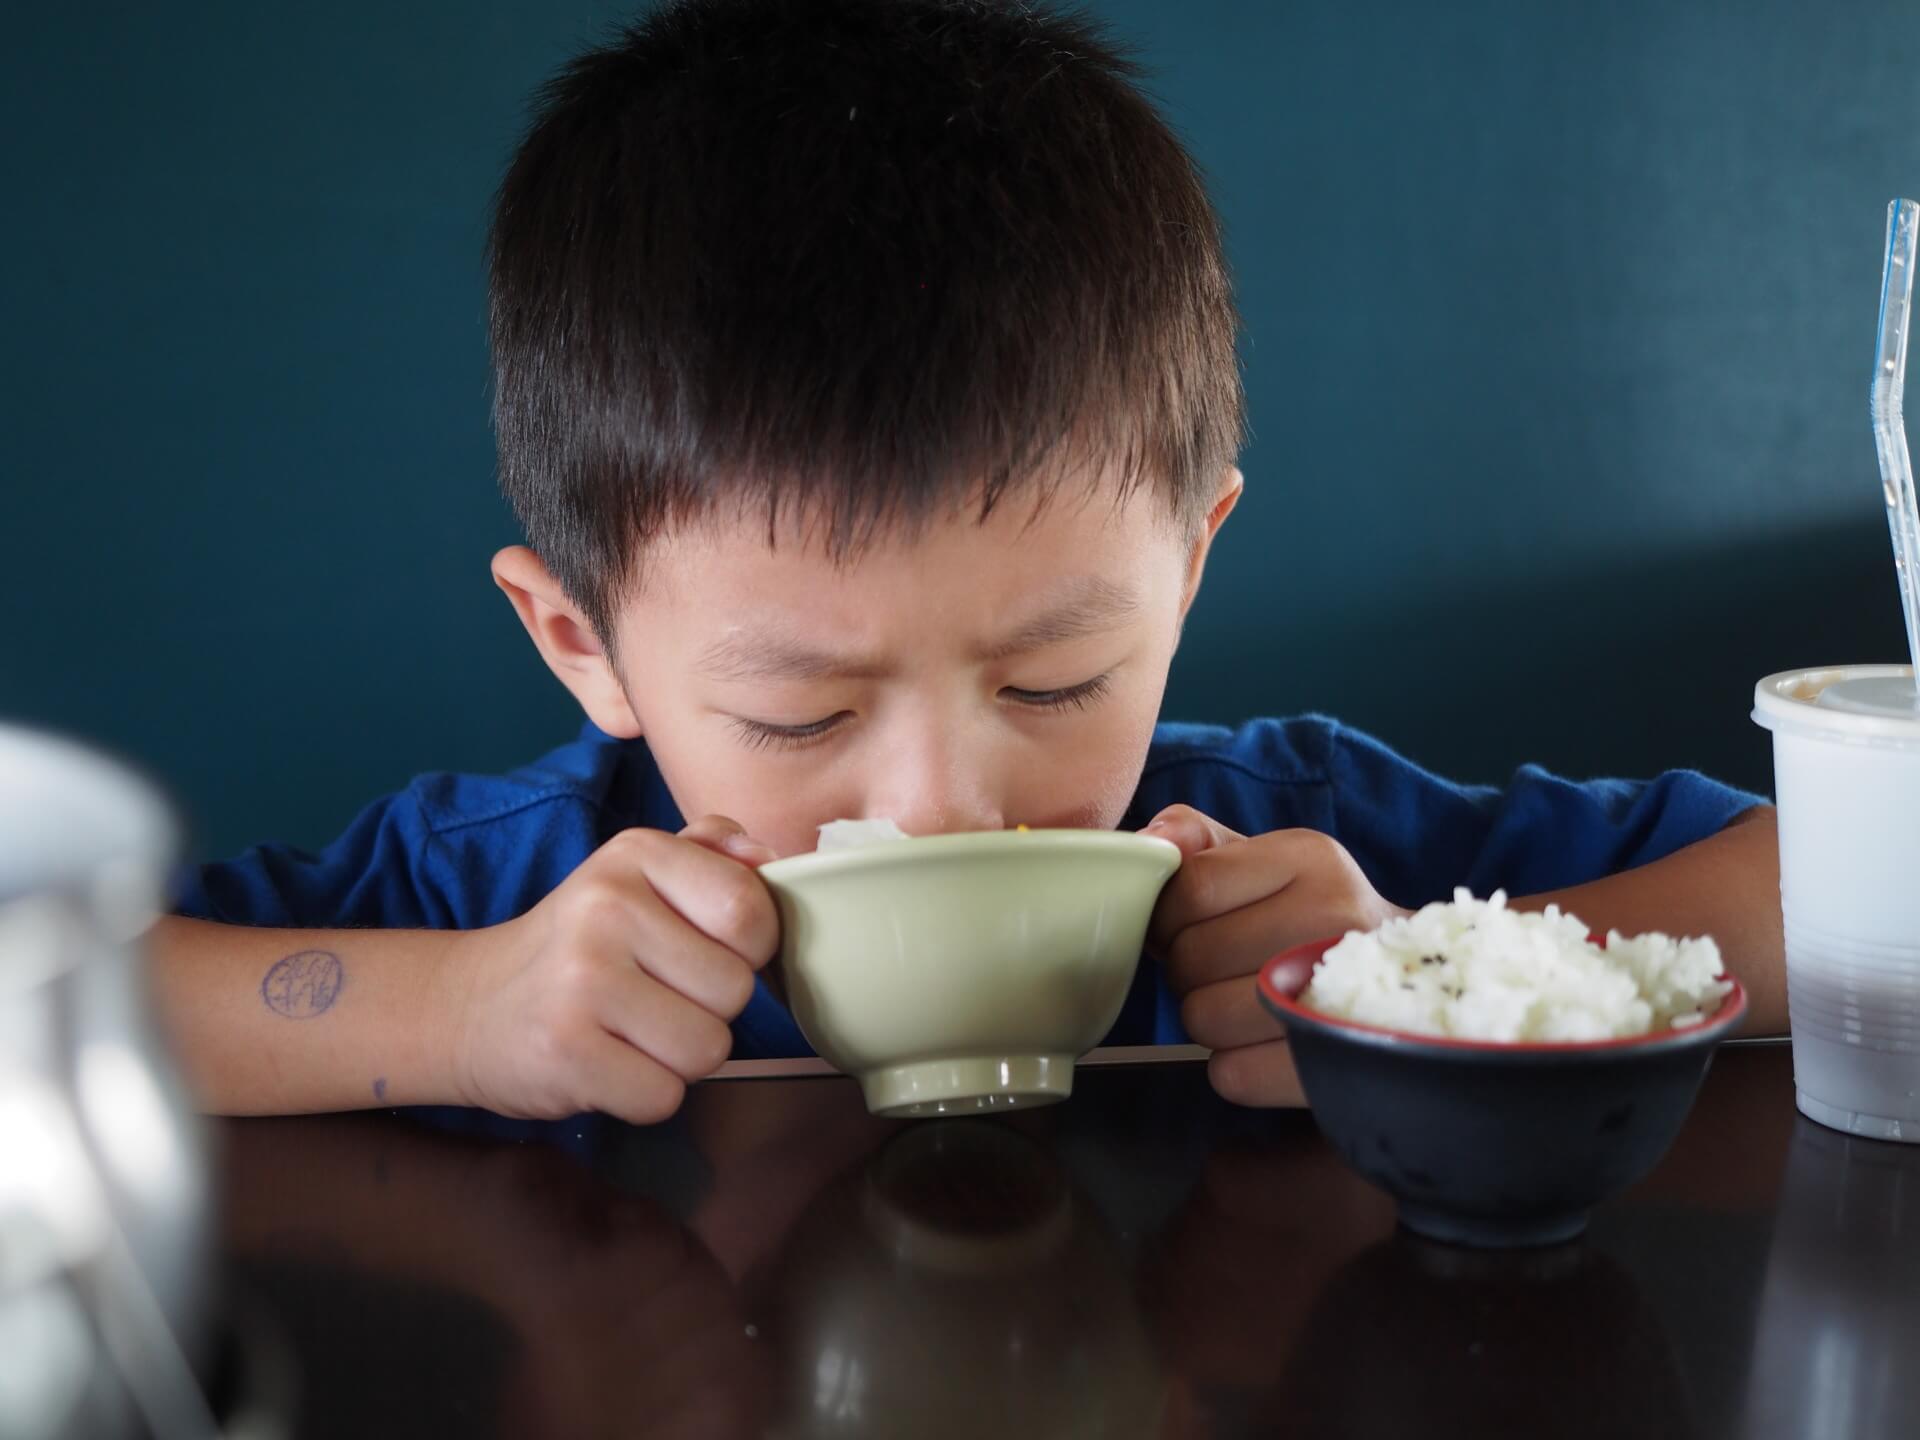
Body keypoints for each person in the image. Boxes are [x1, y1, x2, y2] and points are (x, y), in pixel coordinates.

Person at [152, 0, 1784, 1125]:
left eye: (1057, 678)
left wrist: (1420, 982)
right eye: (801, 712)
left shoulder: (1291, 862)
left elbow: (1854, 889)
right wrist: (455, 1015)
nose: (944, 805)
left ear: (1192, 562)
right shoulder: (514, 894)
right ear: (581, 642)